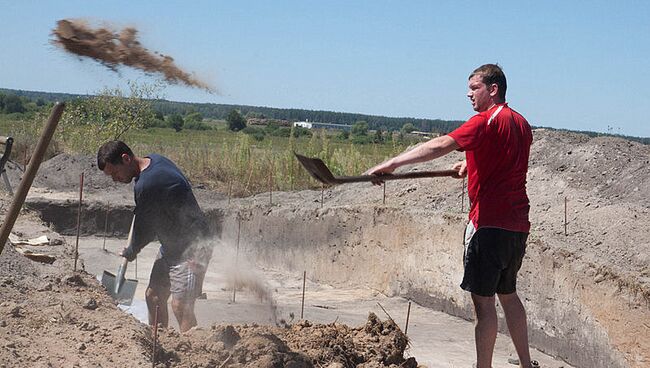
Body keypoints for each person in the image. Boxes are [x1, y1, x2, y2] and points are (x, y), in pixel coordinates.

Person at [366, 64, 537, 368]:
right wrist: (471, 166)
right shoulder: (521, 124)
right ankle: (526, 365)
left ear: (493, 89)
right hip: (517, 226)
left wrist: (392, 163)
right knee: (508, 295)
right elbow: (504, 161)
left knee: (484, 306)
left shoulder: (483, 121)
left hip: (488, 225)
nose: (469, 94)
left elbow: (440, 145)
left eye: (474, 88)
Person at [97, 141, 211, 333]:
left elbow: (146, 228)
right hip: (171, 246)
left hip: (194, 247)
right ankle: (159, 343)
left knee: (181, 306)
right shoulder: (155, 161)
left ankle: (192, 352)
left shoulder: (148, 183)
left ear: (126, 158)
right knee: (154, 296)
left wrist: (131, 250)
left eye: (115, 173)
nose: (115, 179)